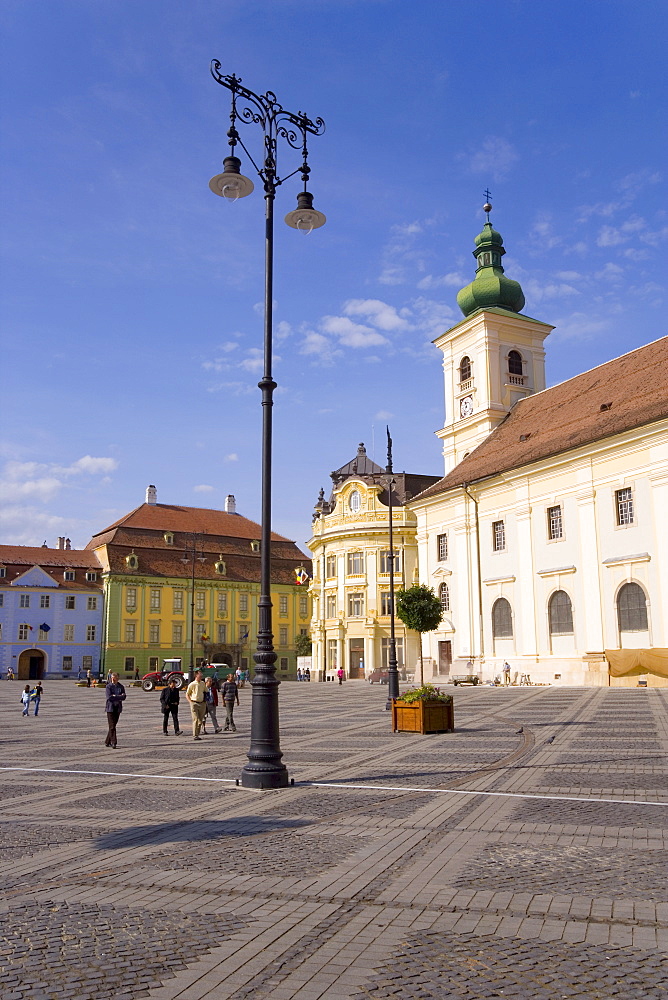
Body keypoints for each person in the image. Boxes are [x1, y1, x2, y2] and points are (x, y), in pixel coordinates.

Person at [104, 672, 126, 748]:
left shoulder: (121, 686)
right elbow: (109, 697)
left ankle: (107, 741)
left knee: (112, 726)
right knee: (112, 726)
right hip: (110, 708)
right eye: (112, 677)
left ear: (118, 678)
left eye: (114, 677)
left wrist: (115, 696)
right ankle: (114, 742)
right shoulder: (108, 686)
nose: (112, 679)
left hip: (118, 708)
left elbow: (124, 697)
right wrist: (118, 696)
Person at [186, 670, 207, 741]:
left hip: (202, 703)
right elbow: (187, 694)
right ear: (196, 675)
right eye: (200, 674)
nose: (201, 675)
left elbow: (206, 691)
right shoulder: (192, 684)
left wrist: (206, 700)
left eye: (201, 674)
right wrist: (190, 702)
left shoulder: (202, 683)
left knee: (200, 720)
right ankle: (195, 735)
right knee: (196, 719)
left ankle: (197, 734)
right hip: (194, 703)